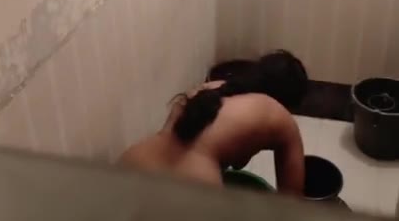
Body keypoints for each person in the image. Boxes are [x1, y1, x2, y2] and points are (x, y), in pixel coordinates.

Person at [120, 50, 308, 194]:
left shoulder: (211, 90)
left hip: (133, 162)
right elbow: (290, 205)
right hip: (194, 189)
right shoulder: (279, 115)